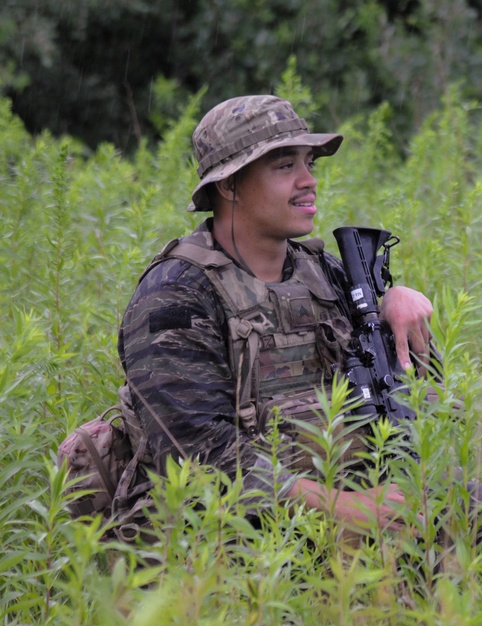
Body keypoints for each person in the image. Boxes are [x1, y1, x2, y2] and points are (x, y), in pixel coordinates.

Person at [117, 94, 433, 533]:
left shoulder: (323, 273)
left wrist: (394, 304)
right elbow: (198, 455)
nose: (308, 181)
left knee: (481, 511)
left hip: (348, 497)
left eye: (310, 164)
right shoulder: (175, 296)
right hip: (235, 535)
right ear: (229, 185)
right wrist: (341, 507)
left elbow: (401, 396)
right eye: (285, 166)